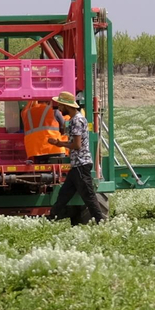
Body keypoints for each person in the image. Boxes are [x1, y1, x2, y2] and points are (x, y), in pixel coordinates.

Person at [46, 91, 108, 226]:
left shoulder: (77, 120)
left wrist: (58, 143)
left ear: (66, 106)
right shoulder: (75, 119)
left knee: (89, 196)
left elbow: (77, 145)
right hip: (77, 165)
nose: (59, 109)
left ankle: (101, 222)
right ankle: (49, 220)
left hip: (81, 164)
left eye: (60, 106)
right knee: (63, 195)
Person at [21, 97, 67, 164]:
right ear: (49, 102)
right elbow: (64, 128)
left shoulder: (26, 113)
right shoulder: (54, 112)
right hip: (54, 149)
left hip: (36, 151)